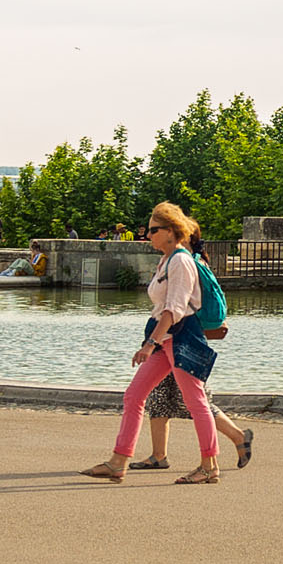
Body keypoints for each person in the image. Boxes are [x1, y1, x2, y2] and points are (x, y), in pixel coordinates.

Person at [79, 201, 222, 485]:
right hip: (166, 339)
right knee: (134, 395)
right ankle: (119, 461)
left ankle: (209, 466)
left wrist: (149, 344)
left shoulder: (181, 261)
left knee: (196, 402)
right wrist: (155, 342)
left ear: (171, 231)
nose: (148, 235)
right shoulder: (167, 259)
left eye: (154, 230)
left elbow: (174, 309)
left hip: (181, 336)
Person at [132, 231, 254, 473]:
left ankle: (237, 438)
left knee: (195, 402)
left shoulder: (187, 262)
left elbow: (183, 306)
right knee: (160, 400)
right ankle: (159, 455)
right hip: (167, 339)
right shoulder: (179, 260)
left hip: (182, 341)